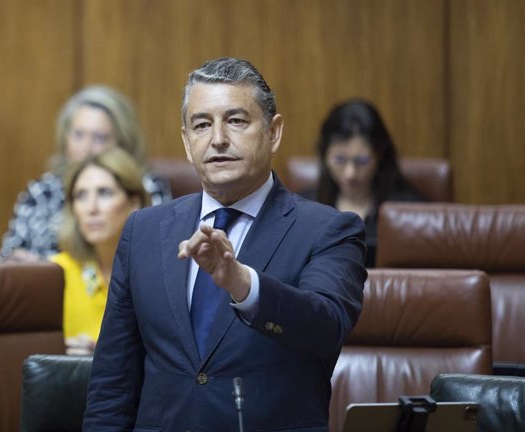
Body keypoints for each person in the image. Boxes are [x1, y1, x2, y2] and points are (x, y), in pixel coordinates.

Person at [83, 57, 367, 431]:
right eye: (202, 125)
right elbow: (112, 380)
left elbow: (326, 327)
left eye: (236, 121)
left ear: (274, 132)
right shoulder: (144, 231)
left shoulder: (327, 229)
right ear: (187, 142)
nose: (217, 139)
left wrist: (242, 283)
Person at [0, 85, 171, 261]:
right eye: (78, 135)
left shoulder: (144, 186)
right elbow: (6, 258)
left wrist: (49, 268)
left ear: (123, 143)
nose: (86, 148)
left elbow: (158, 253)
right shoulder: (42, 191)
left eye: (99, 138)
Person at [49, 148, 150, 355]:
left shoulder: (158, 272)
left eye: (104, 193)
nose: (91, 208)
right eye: (81, 196)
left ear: (134, 203)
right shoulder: (56, 273)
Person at [305, 99, 425, 267]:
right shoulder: (304, 208)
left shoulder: (409, 212)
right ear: (324, 155)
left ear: (379, 155)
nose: (350, 173)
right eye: (340, 159)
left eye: (362, 160)